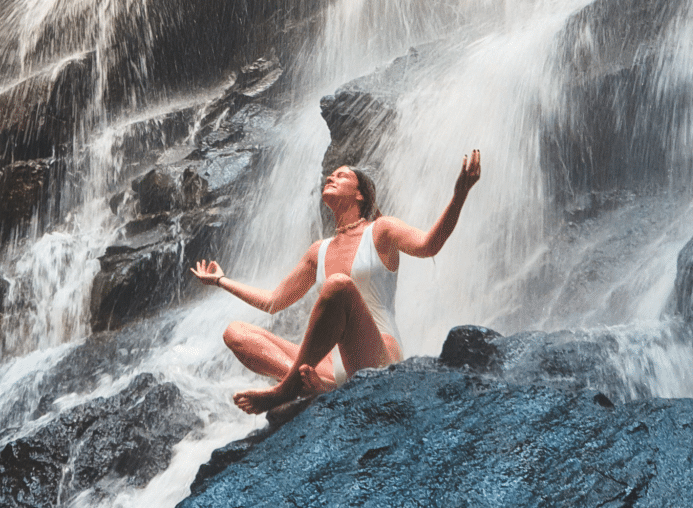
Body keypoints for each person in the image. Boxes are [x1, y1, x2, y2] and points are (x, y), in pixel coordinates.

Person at [190, 151, 481, 414]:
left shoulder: (381, 230)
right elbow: (273, 301)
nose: (331, 176)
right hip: (330, 366)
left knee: (338, 286)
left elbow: (429, 245)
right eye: (331, 174)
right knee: (235, 332)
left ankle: (286, 389)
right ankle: (315, 387)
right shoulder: (319, 250)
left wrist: (459, 196)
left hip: (377, 355)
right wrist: (221, 281)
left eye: (342, 175)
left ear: (360, 195)